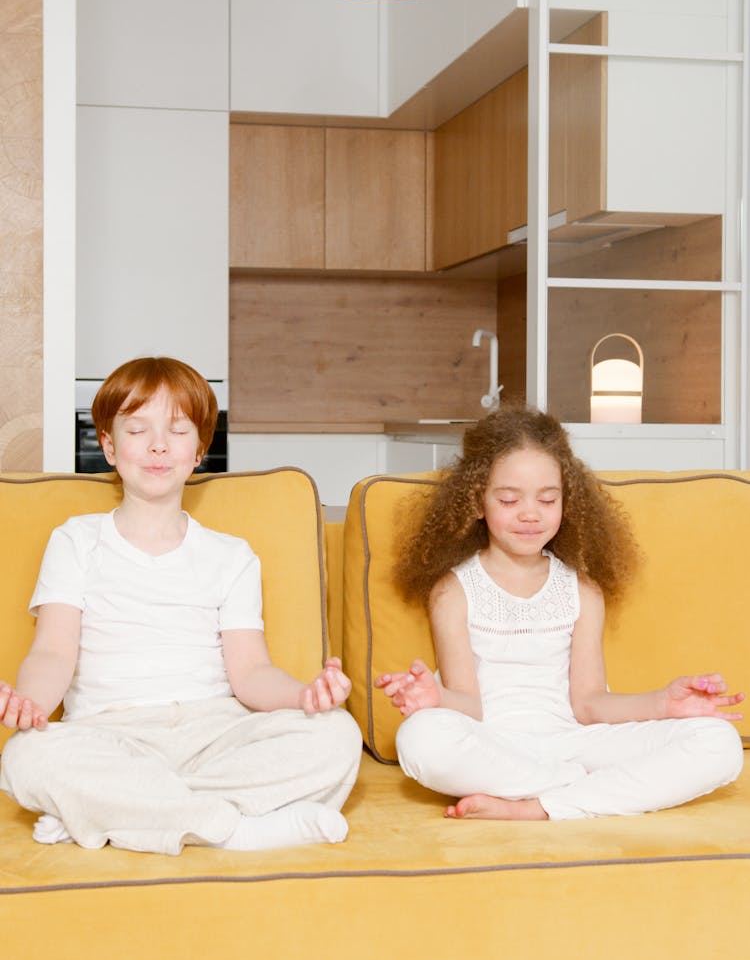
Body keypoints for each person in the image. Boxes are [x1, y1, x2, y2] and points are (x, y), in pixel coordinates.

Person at [0, 357, 362, 855]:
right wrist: (31, 702)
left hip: (215, 733)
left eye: (177, 430)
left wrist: (307, 696)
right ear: (108, 445)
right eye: (136, 429)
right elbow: (53, 653)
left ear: (198, 452)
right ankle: (235, 830)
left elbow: (252, 673)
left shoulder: (232, 555)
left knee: (336, 735)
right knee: (25, 759)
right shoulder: (76, 541)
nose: (157, 445)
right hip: (110, 734)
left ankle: (113, 813)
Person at [375, 406, 744, 821]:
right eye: (510, 499)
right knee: (420, 739)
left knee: (718, 743)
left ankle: (540, 805)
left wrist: (664, 703)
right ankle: (576, 789)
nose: (530, 513)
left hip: (575, 740)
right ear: (477, 500)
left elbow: (589, 704)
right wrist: (435, 699)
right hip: (491, 747)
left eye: (547, 499)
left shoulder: (581, 589)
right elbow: (470, 706)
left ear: (567, 501)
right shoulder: (454, 590)